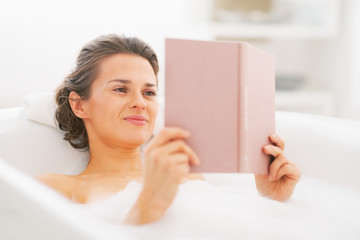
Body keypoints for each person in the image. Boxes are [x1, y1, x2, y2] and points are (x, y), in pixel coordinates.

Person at [36, 34, 301, 225]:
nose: (140, 102)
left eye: (149, 92)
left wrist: (269, 202)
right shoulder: (57, 187)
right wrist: (148, 205)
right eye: (120, 89)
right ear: (80, 105)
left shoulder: (191, 180)